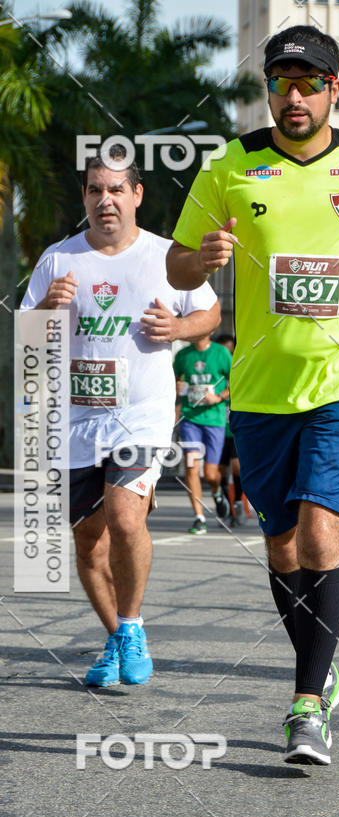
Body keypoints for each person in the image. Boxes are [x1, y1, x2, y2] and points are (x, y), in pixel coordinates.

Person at [166, 25, 339, 764]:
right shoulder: (232, 165)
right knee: (280, 546)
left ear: (334, 88)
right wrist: (201, 258)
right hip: (257, 389)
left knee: (320, 531)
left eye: (309, 82)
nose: (294, 95)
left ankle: (306, 705)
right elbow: (181, 265)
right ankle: (324, 666)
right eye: (281, 82)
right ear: (269, 90)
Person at [20, 146, 220, 686]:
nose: (104, 200)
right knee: (88, 542)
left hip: (141, 415)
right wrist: (44, 312)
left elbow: (210, 311)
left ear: (136, 195)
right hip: (75, 423)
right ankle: (115, 636)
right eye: (93, 190)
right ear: (84, 197)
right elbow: (25, 338)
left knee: (126, 517)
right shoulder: (59, 261)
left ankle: (131, 627)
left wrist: (177, 330)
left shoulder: (165, 257)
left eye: (114, 189)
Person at [174, 333, 232, 534]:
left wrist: (218, 397)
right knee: (191, 467)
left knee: (210, 474)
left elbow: (237, 381)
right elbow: (173, 381)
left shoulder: (221, 353)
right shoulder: (183, 355)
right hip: (190, 419)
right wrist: (177, 391)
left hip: (214, 420)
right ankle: (199, 516)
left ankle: (217, 493)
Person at [214, 333, 245, 527]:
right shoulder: (213, 371)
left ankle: (239, 502)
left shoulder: (239, 369)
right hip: (216, 426)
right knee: (218, 471)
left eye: (230, 351)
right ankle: (225, 506)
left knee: (237, 467)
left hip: (235, 428)